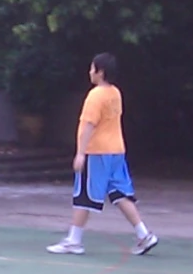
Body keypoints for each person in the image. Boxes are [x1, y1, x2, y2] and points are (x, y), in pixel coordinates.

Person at [46, 52, 158, 257]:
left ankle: (74, 241)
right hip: (116, 151)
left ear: (100, 71)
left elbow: (88, 124)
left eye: (92, 68)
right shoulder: (115, 93)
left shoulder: (95, 95)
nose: (89, 72)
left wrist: (80, 153)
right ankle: (144, 234)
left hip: (96, 151)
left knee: (84, 196)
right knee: (120, 194)